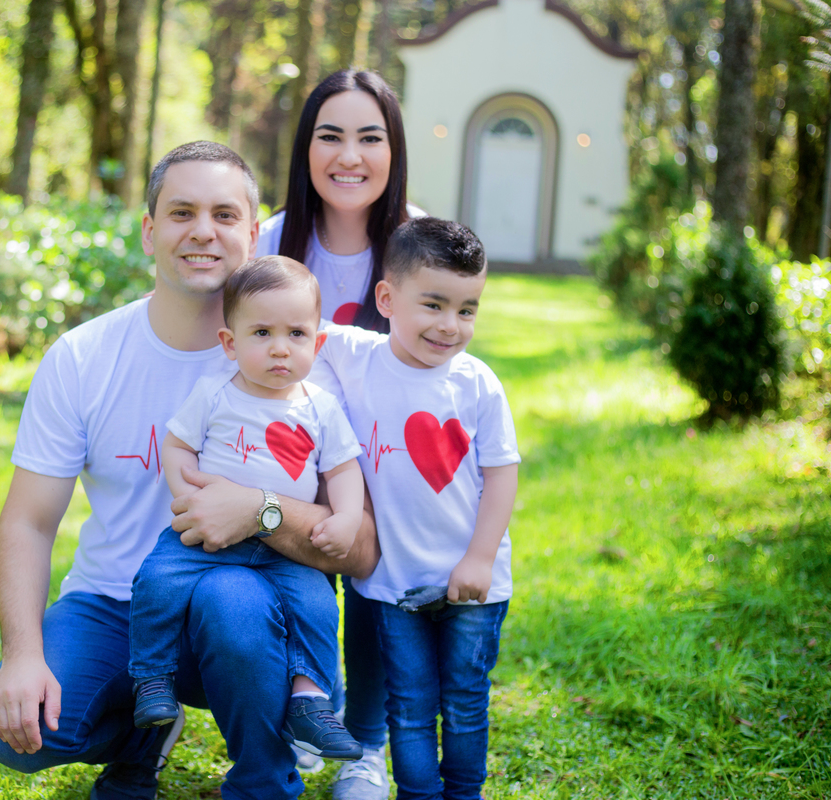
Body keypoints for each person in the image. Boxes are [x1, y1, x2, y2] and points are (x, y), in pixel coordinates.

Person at [0, 141, 380, 800]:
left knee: (232, 600)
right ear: (149, 231)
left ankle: (263, 777)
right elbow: (28, 521)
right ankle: (145, 733)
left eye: (225, 214)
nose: (202, 230)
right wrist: (22, 657)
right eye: (181, 212)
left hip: (253, 607)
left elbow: (362, 548)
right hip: (113, 605)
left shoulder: (303, 364)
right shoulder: (83, 358)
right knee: (20, 735)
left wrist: (260, 510)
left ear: (253, 235)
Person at [312, 217, 520, 800]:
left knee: (464, 700)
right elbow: (294, 326)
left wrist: (479, 558)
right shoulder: (357, 355)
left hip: (474, 585)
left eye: (467, 309)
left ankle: (464, 794)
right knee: (408, 704)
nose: (450, 326)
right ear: (387, 298)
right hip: (394, 586)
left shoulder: (477, 384)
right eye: (433, 304)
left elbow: (503, 473)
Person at [127, 255, 365, 764]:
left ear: (317, 343)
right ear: (230, 344)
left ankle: (310, 700)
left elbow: (343, 471)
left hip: (284, 550)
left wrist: (344, 517)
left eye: (297, 335)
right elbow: (176, 445)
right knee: (156, 580)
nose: (280, 348)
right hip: (207, 537)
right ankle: (152, 677)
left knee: (319, 604)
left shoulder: (320, 407)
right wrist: (186, 495)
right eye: (261, 333)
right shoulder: (214, 393)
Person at [256, 67, 419, 797]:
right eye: (331, 136)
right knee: (294, 584)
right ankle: (303, 717)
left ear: (394, 150)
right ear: (305, 148)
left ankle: (367, 746)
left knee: (378, 592)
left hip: (384, 462)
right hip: (284, 457)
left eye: (369, 137)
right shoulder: (268, 241)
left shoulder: (417, 242)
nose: (349, 156)